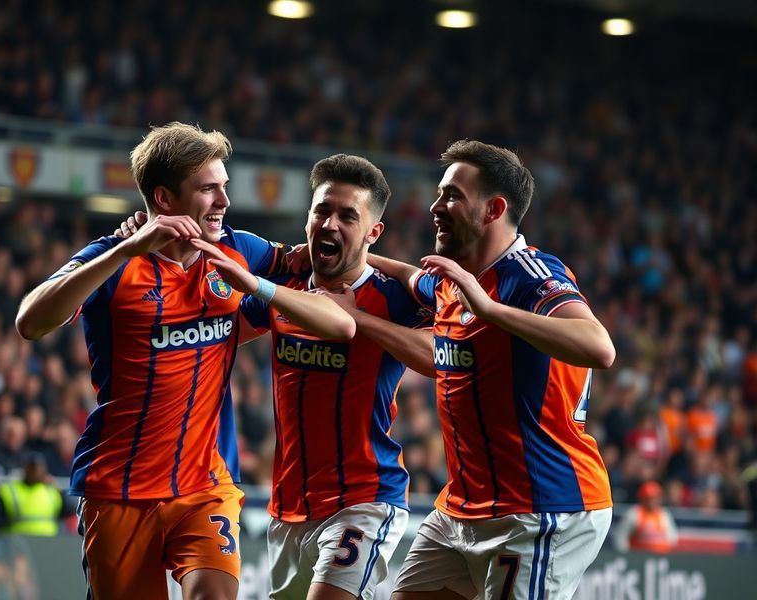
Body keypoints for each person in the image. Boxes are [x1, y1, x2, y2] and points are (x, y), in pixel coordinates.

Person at [15, 122, 355, 600]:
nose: (224, 201)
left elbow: (313, 269)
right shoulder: (113, 261)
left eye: (224, 187)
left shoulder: (240, 249)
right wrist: (124, 248)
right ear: (165, 198)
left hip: (205, 482)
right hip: (120, 487)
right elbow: (30, 322)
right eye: (208, 188)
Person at [123, 154, 434, 599]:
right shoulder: (285, 291)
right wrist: (155, 244)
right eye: (322, 210)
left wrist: (358, 319)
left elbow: (439, 358)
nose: (330, 224)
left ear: (373, 232)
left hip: (364, 501)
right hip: (287, 510)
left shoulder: (393, 296)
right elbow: (213, 331)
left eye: (348, 216)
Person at [366, 140, 616, 600]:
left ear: (494, 209)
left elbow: (599, 347)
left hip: (541, 509)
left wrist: (489, 308)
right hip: (461, 510)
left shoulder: (532, 274)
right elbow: (408, 277)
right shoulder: (454, 276)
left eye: (452, 196)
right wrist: (347, 259)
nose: (435, 207)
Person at [0, 450, 75, 535]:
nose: (35, 471)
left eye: (38, 467)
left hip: (47, 545)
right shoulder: (9, 490)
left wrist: (57, 488)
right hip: (17, 546)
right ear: (25, 468)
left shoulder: (52, 491)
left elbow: (69, 510)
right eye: (32, 467)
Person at [615, 481, 678, 553]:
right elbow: (620, 537)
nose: (652, 501)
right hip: (639, 556)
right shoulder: (634, 513)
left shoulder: (664, 514)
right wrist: (628, 555)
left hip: (661, 557)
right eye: (648, 498)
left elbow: (672, 538)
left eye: (654, 498)